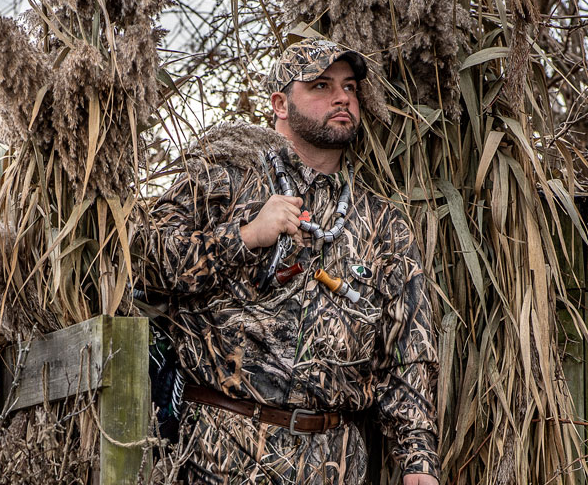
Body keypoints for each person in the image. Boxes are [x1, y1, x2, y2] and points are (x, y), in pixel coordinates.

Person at [141, 38, 440, 484]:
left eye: (350, 87)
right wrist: (242, 238)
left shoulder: (383, 222)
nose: (342, 97)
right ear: (280, 103)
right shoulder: (224, 174)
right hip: (224, 454)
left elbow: (407, 351)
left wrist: (417, 461)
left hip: (335, 462)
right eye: (320, 85)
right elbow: (145, 263)